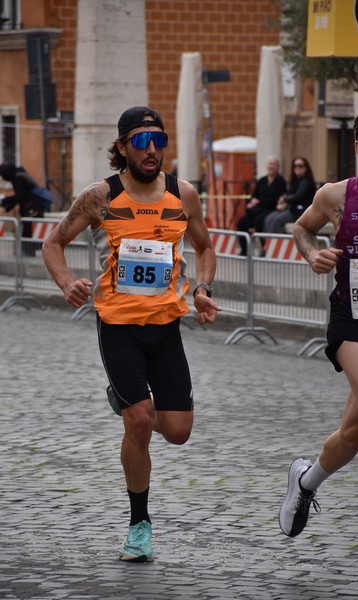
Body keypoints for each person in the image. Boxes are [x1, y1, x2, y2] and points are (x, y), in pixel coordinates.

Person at [42, 105, 221, 562]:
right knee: (140, 421)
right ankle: (139, 523)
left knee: (178, 432)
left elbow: (204, 246)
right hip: (118, 326)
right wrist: (67, 283)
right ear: (121, 148)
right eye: (141, 142)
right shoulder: (100, 197)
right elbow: (53, 243)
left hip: (166, 327)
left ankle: (125, 399)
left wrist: (202, 288)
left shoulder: (184, 194)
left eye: (158, 140)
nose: (151, 150)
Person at [278, 102, 358, 592]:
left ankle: (305, 482)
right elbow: (301, 229)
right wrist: (313, 255)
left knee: (354, 436)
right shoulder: (336, 196)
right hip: (354, 322)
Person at [236, 156, 286, 255]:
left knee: (258, 222)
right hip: (258, 209)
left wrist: (260, 201)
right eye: (270, 164)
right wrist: (253, 201)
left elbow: (276, 200)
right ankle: (245, 250)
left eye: (274, 164)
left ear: (278, 167)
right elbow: (254, 195)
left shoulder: (281, 181)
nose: (271, 166)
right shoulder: (262, 180)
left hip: (271, 209)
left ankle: (264, 248)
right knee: (241, 222)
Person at [0, 163, 46, 255]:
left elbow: (20, 196)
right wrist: (9, 207)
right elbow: (20, 197)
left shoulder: (18, 178)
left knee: (28, 230)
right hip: (31, 207)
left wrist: (5, 200)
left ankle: (28, 251)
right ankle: (27, 251)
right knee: (26, 229)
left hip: (31, 207)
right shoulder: (20, 175)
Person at [262, 156, 316, 235]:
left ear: (306, 167)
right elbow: (289, 194)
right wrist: (284, 198)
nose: (297, 168)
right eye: (295, 166)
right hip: (291, 209)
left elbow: (298, 196)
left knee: (277, 220)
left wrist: (285, 199)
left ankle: (278, 244)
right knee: (268, 218)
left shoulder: (306, 182)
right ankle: (268, 244)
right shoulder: (296, 181)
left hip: (300, 211)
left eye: (300, 166)